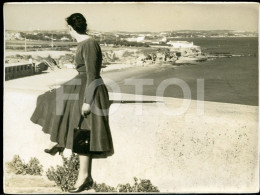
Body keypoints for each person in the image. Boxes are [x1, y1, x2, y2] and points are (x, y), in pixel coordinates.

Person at [30, 13, 114, 193]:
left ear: (70, 28)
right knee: (48, 98)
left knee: (83, 129)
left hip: (89, 89)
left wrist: (87, 101)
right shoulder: (84, 43)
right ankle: (58, 140)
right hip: (79, 84)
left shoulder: (89, 44)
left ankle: (84, 177)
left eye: (67, 29)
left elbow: (92, 74)